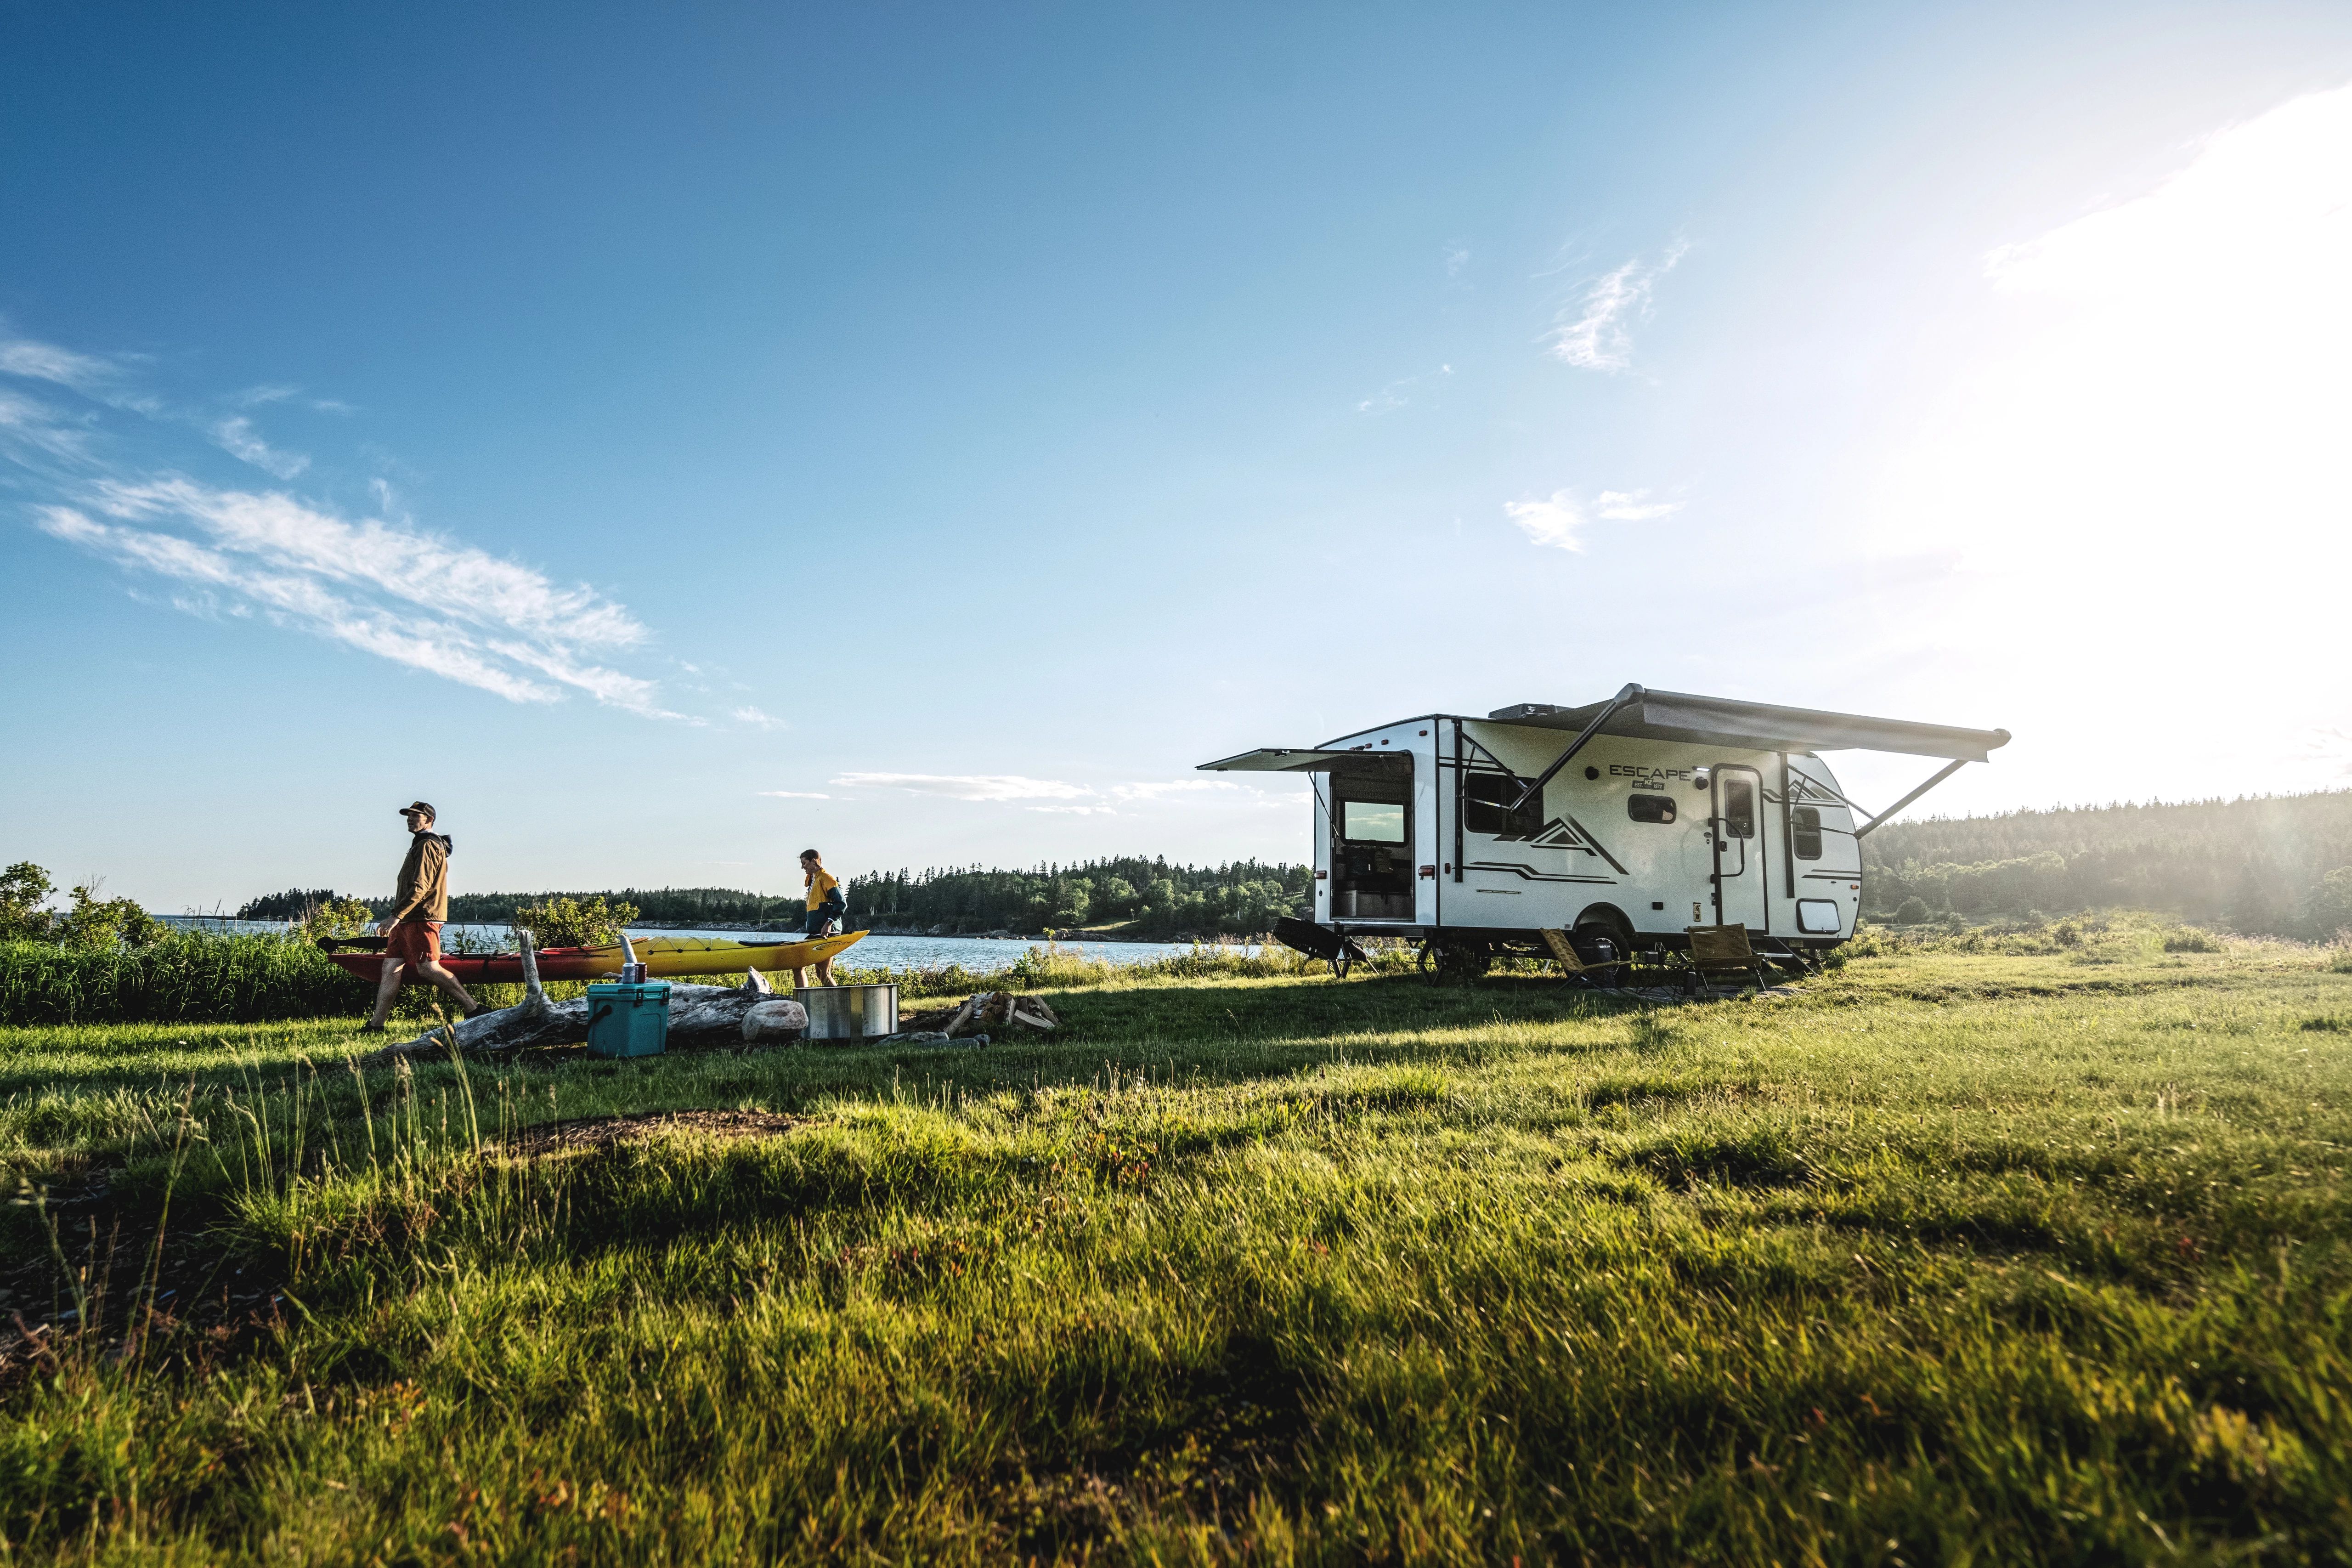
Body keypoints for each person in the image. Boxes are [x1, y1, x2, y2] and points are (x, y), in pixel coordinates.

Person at [361, 801, 483, 1033]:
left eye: (416, 816)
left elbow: (421, 886)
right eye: (408, 816)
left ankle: (474, 1010)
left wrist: (396, 916)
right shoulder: (420, 844)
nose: (410, 819)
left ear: (429, 820)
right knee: (390, 968)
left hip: (421, 916)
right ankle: (376, 1025)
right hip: (409, 918)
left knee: (428, 968)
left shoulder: (428, 844)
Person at [795, 847, 845, 989]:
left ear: (814, 861)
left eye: (804, 863)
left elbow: (841, 903)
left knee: (823, 974)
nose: (802, 867)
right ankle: (802, 1001)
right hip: (816, 933)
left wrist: (829, 923)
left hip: (827, 934)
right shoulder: (813, 881)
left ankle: (838, 1001)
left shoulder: (826, 879)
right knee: (798, 966)